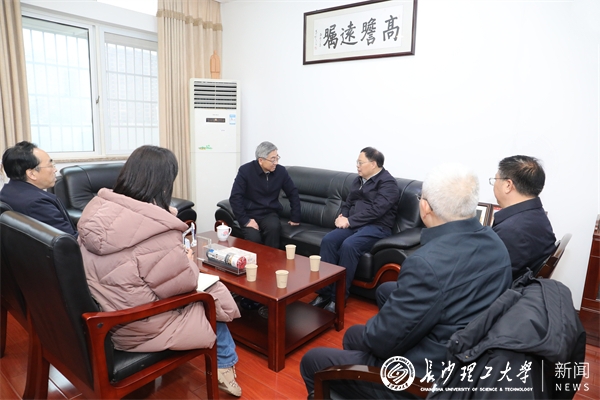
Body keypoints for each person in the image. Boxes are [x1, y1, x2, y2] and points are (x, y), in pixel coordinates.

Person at [300, 163, 512, 399]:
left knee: (312, 360)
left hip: (423, 377)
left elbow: (381, 341)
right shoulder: (497, 244)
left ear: (425, 207)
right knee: (353, 335)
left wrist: (380, 327)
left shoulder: (426, 263)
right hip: (466, 357)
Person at [77, 146, 243, 397]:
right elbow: (184, 284)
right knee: (211, 296)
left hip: (105, 311)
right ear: (164, 184)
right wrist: (188, 259)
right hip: (138, 327)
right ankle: (225, 365)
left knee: (208, 295)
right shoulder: (155, 233)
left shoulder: (98, 211)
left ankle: (225, 363)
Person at [308, 147, 399, 312]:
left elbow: (377, 211)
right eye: (357, 162)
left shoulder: (388, 184)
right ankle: (324, 293)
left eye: (360, 162)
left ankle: (337, 299)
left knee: (349, 245)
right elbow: (348, 203)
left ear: (373, 164)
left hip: (377, 227)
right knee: (328, 240)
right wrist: (343, 216)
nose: (357, 165)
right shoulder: (358, 180)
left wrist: (349, 221)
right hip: (355, 224)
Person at [490, 155, 556, 281]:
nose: (494, 185)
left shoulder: (511, 230)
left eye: (496, 179)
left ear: (508, 185)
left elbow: (487, 278)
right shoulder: (536, 215)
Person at [229, 141, 301, 249]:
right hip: (249, 213)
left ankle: (272, 258)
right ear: (261, 160)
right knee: (254, 238)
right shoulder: (245, 171)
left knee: (274, 228)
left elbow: (293, 192)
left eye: (277, 158)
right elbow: (235, 197)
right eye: (272, 159)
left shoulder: (281, 172)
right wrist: (245, 220)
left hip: (269, 213)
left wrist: (295, 217)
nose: (276, 162)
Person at [0, 141, 77, 237]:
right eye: (50, 165)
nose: (55, 170)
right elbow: (69, 240)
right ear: (32, 174)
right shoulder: (38, 204)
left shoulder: (6, 192)